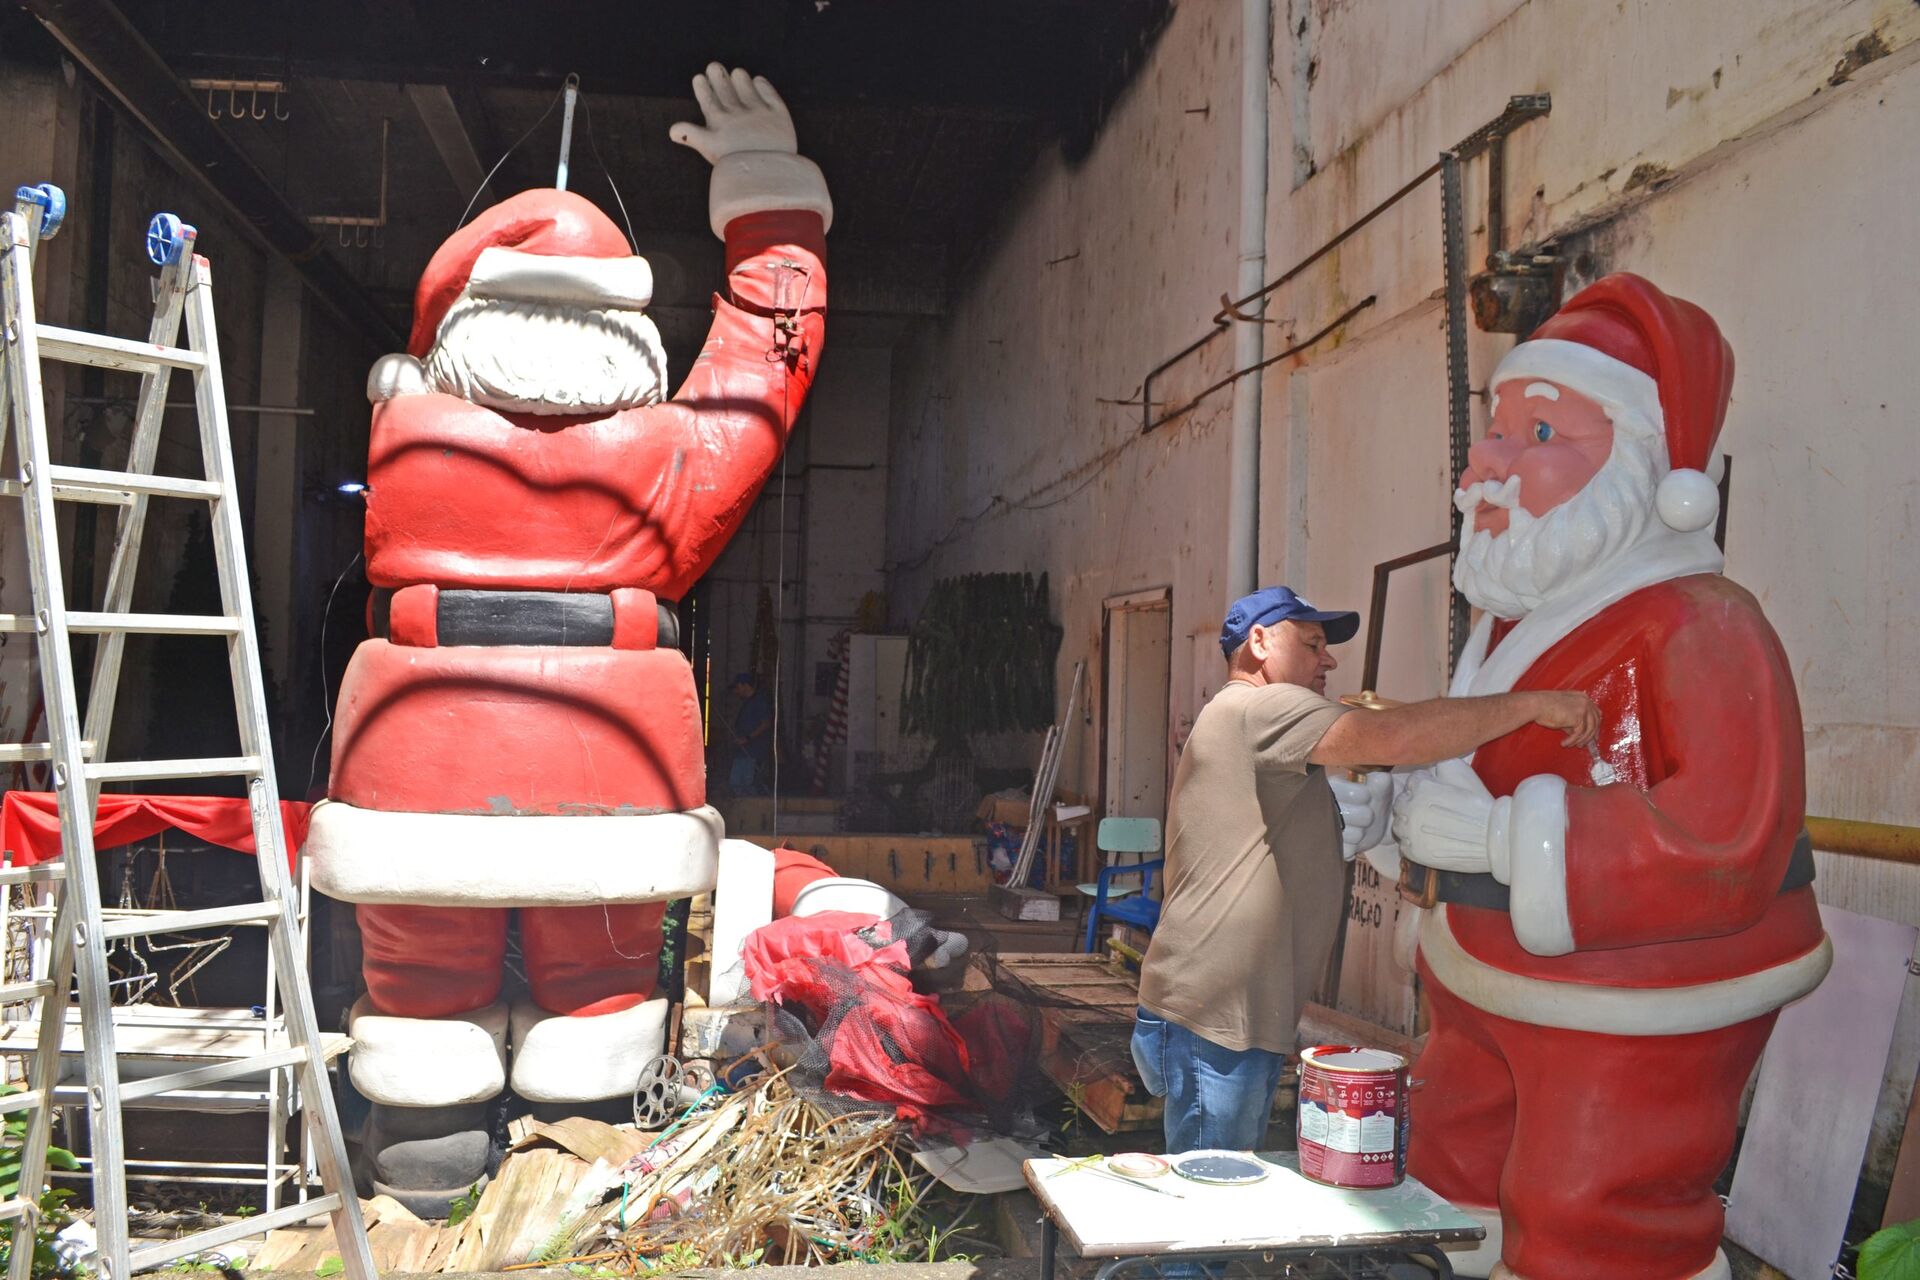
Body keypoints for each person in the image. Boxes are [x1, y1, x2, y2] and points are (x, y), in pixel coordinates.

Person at [1361, 274, 1830, 1280]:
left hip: (1635, 998)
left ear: (1648, 472)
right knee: (1451, 1182)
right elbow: (1476, 757)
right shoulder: (1512, 623)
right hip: (1482, 977)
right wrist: (1391, 799)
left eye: (1539, 437)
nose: (1486, 462)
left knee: (1587, 1219)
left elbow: (1723, 835)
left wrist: (1497, 841)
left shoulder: (1705, 627)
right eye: (1498, 431)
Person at [1130, 585, 1599, 1155]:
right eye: (1311, 643)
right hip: (1218, 1019)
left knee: (1222, 1191)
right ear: (1258, 642)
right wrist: (1533, 704)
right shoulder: (1260, 707)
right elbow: (1393, 738)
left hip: (1224, 1010)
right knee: (1211, 1201)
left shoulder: (1248, 724)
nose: (1327, 659)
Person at [730, 671, 775, 796]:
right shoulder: (748, 702)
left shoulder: (759, 701)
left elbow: (766, 723)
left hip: (752, 751)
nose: (736, 691)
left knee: (742, 784)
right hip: (744, 750)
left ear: (745, 685)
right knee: (740, 784)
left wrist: (747, 738)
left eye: (738, 687)